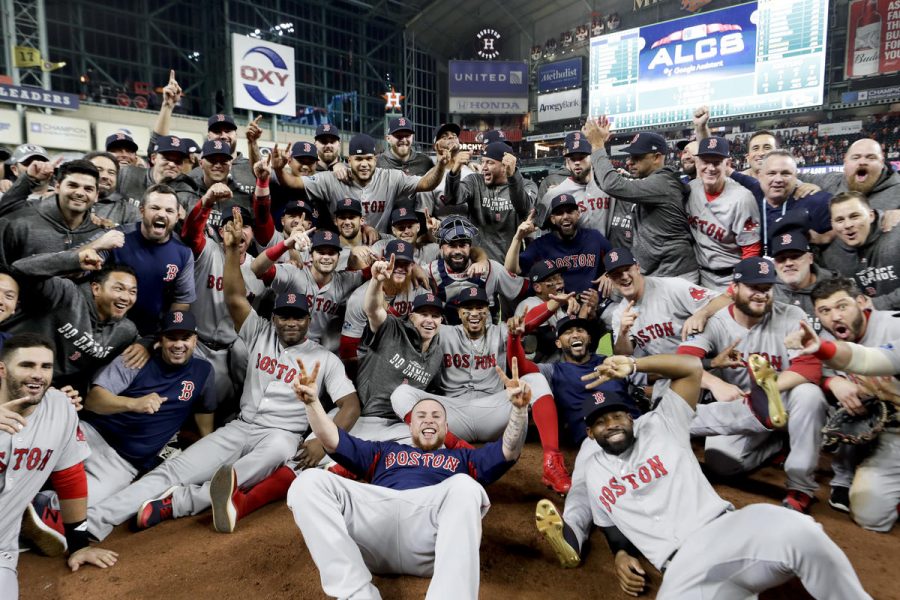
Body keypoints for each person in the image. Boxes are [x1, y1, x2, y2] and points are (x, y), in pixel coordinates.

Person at [84, 208, 359, 540]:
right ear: (273, 317)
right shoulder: (260, 332)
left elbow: (350, 404)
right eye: (283, 315)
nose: (290, 322)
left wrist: (322, 440)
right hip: (241, 426)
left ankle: (182, 502)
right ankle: (91, 523)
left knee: (241, 470)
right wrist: (230, 252)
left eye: (297, 316)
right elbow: (232, 296)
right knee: (175, 468)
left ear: (307, 319)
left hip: (281, 436)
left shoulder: (323, 358)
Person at [536, 352, 871, 600]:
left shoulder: (661, 424)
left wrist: (636, 365)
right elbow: (608, 522)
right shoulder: (592, 469)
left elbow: (692, 368)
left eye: (616, 415)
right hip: (683, 569)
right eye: (600, 421)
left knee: (803, 533)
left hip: (729, 529)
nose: (611, 424)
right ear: (590, 433)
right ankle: (570, 539)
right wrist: (622, 554)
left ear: (631, 416)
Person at [286, 353, 532, 599]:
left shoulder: (464, 459)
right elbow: (333, 439)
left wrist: (519, 412)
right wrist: (312, 404)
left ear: (447, 429)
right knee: (307, 483)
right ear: (410, 426)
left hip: (430, 536)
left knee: (466, 487)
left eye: (436, 416)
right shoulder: (383, 449)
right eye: (421, 416)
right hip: (376, 526)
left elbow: (508, 451)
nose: (429, 420)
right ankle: (357, 595)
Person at [677, 257, 827, 513]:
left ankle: (801, 487)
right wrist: (714, 384)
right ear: (734, 289)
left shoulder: (792, 316)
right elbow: (682, 362)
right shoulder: (714, 322)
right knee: (722, 464)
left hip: (784, 402)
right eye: (753, 288)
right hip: (740, 410)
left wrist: (767, 389)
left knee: (809, 394)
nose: (761, 295)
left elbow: (810, 367)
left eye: (767, 288)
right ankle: (778, 444)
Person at [390, 285, 571, 493]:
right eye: (468, 308)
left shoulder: (501, 331)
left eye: (480, 307)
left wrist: (554, 303)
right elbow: (409, 324)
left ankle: (552, 463)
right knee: (401, 394)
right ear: (459, 313)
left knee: (535, 379)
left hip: (494, 410)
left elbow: (528, 321)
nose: (474, 313)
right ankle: (458, 449)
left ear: (488, 311)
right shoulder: (443, 332)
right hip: (452, 414)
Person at [0, 333, 118, 599]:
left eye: (46, 367)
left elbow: (70, 476)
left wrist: (78, 544)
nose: (37, 375)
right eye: (27, 365)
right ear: (3, 370)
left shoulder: (60, 408)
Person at [78, 310, 215, 505]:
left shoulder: (204, 370)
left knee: (78, 506)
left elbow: (204, 410)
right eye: (171, 338)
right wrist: (133, 404)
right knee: (40, 457)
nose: (178, 344)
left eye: (185, 338)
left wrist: (208, 445)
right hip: (91, 435)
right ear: (161, 339)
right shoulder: (138, 358)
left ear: (195, 340)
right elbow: (93, 400)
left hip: (123, 463)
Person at [810, 277, 900, 523]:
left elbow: (868, 359)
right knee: (868, 515)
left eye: (842, 306)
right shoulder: (824, 338)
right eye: (825, 311)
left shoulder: (893, 327)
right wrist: (832, 382)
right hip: (892, 437)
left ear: (862, 302)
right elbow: (815, 370)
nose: (835, 317)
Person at [181, 185, 266, 419]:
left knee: (231, 408)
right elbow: (190, 234)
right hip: (199, 345)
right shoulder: (207, 251)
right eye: (231, 224)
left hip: (232, 352)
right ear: (220, 231)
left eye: (245, 225)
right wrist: (206, 203)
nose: (238, 230)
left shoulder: (258, 267)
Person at [582, 116, 698, 280]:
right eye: (630, 156)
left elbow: (611, 184)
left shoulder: (662, 182)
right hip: (660, 273)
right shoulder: (652, 181)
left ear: (656, 157)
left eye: (637, 157)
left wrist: (597, 145)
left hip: (676, 276)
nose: (629, 162)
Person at [6, 253, 140, 392]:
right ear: (96, 289)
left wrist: (145, 344)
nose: (126, 297)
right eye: (119, 288)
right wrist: (73, 260)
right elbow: (19, 269)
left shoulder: (126, 331)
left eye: (132, 292)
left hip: (45, 390)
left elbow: (155, 344)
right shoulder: (65, 294)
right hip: (8, 371)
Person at [279, 133, 449, 233]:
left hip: (379, 245)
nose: (364, 164)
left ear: (375, 159)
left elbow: (427, 184)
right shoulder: (332, 179)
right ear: (349, 160)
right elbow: (293, 182)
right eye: (358, 159)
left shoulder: (391, 177)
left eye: (369, 159)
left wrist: (441, 164)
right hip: (343, 249)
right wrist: (279, 170)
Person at [104, 184, 195, 336]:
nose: (162, 214)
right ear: (142, 210)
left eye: (169, 210)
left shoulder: (183, 253)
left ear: (177, 216)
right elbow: (84, 265)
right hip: (107, 331)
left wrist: (156, 339)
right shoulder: (117, 237)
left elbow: (182, 301)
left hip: (150, 336)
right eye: (155, 208)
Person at [604, 247, 729, 357]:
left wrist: (702, 313)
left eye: (627, 269)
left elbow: (726, 300)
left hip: (702, 360)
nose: (624, 276)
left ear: (637, 268)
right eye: (617, 274)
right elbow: (623, 355)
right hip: (667, 371)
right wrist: (623, 332)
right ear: (610, 280)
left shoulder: (672, 287)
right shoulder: (620, 314)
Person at [686, 136, 762, 289]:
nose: (710, 168)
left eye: (716, 162)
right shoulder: (690, 189)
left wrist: (741, 283)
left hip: (730, 276)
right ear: (697, 163)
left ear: (727, 164)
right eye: (705, 162)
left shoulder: (742, 198)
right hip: (699, 274)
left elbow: (751, 249)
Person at [443, 141, 537, 263]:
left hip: (511, 264)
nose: (483, 167)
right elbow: (452, 198)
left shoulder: (526, 185)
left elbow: (523, 208)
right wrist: (454, 171)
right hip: (478, 263)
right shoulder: (475, 181)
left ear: (504, 166)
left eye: (490, 162)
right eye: (482, 162)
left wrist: (512, 176)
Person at [535, 132, 632, 248]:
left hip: (607, 255)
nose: (576, 162)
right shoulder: (554, 193)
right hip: (575, 258)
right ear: (567, 161)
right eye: (572, 158)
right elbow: (539, 224)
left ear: (591, 157)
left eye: (581, 157)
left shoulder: (608, 186)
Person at [0, 159, 103, 265]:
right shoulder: (29, 215)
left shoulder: (100, 232)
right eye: (72, 185)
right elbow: (5, 209)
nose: (80, 193)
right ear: (57, 187)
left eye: (88, 189)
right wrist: (29, 178)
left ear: (96, 196)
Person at [507, 193, 611, 293]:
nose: (565, 216)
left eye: (570, 211)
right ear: (553, 219)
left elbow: (617, 259)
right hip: (558, 307)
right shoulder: (542, 244)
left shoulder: (594, 237)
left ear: (578, 214)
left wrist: (609, 274)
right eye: (560, 213)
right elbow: (512, 270)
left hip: (594, 304)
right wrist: (517, 238)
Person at [822, 191, 899, 310]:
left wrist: (878, 304)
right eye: (840, 220)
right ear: (832, 224)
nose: (847, 225)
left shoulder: (896, 236)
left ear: (871, 216)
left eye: (854, 216)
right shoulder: (830, 256)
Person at [797, 137, 900, 219]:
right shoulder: (832, 180)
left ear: (882, 162)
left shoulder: (897, 190)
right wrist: (810, 188)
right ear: (845, 161)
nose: (862, 162)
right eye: (856, 157)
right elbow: (790, 174)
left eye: (871, 157)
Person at [771, 229, 834, 331]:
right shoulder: (766, 292)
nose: (788, 263)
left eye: (795, 256)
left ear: (810, 258)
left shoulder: (834, 286)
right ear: (774, 264)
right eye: (781, 259)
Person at [85, 151, 140, 226]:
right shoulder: (69, 202)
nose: (105, 176)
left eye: (111, 172)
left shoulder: (129, 211)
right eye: (99, 170)